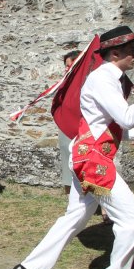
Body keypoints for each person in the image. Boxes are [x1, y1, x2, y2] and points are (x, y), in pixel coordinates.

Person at [11, 26, 134, 269]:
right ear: (115, 53)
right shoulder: (103, 79)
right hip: (94, 165)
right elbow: (126, 117)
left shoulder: (108, 79)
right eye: (130, 51)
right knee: (133, 219)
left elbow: (110, 130)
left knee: (76, 215)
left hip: (89, 158)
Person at [57, 51, 79, 196]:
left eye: (69, 65)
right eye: (65, 66)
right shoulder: (64, 84)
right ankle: (71, 201)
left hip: (84, 130)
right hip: (67, 129)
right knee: (67, 166)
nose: (66, 69)